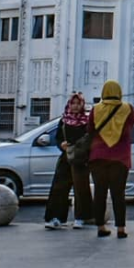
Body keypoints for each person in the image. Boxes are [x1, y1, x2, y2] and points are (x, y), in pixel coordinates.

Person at [88, 80, 134, 239]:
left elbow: (89, 130)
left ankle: (101, 227)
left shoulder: (95, 110)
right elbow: (131, 126)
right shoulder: (128, 109)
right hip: (120, 157)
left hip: (98, 157)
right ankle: (121, 228)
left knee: (100, 193)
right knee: (118, 194)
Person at [44, 93, 94, 230]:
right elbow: (58, 138)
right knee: (59, 186)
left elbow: (90, 138)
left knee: (80, 188)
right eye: (73, 103)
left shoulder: (87, 120)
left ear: (83, 104)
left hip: (81, 158)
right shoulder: (64, 120)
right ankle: (56, 218)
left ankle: (81, 217)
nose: (76, 106)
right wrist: (62, 145)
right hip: (66, 157)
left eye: (78, 103)